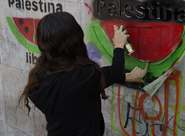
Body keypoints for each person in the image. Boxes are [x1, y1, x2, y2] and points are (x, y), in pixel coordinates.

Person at [18, 12, 148, 136]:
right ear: (74, 40)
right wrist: (119, 45)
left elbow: (87, 85)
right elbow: (115, 71)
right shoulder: (81, 76)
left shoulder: (40, 74)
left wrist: (126, 77)